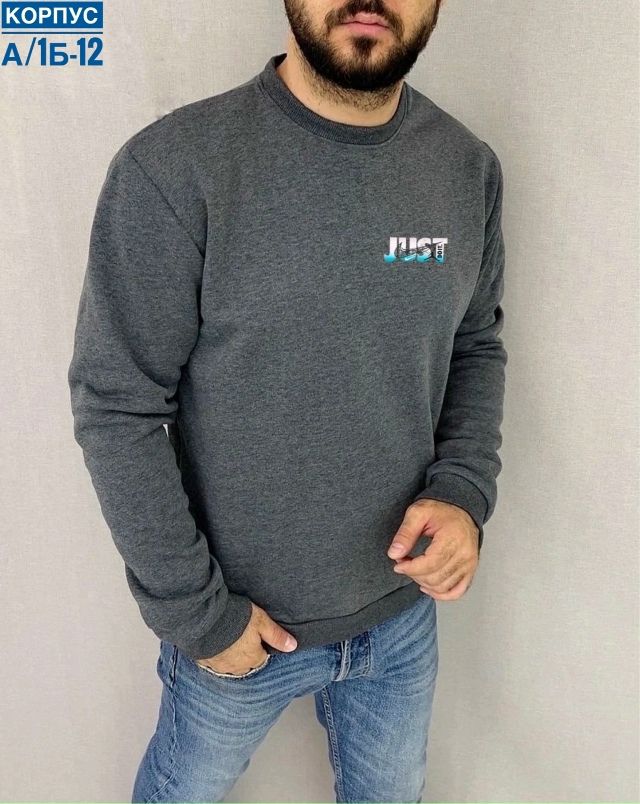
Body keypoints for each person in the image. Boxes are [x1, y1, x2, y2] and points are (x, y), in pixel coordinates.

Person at [67, 1, 508, 801]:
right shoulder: (176, 168)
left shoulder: (465, 168)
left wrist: (462, 492)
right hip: (238, 629)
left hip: (402, 618)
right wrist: (198, 616)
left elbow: (474, 344)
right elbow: (117, 406)